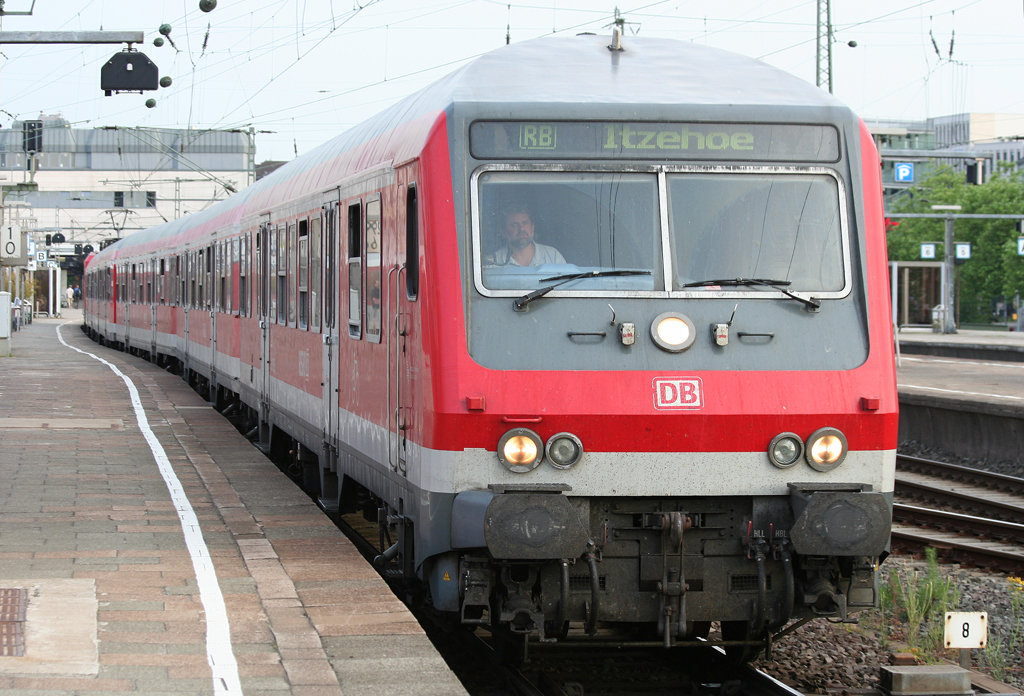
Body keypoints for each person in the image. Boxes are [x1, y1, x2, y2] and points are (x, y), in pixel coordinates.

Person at [485, 206, 565, 267]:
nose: (521, 229)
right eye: (514, 225)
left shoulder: (552, 255)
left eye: (525, 223)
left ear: (533, 227)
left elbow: (565, 285)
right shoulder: (494, 261)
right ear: (503, 232)